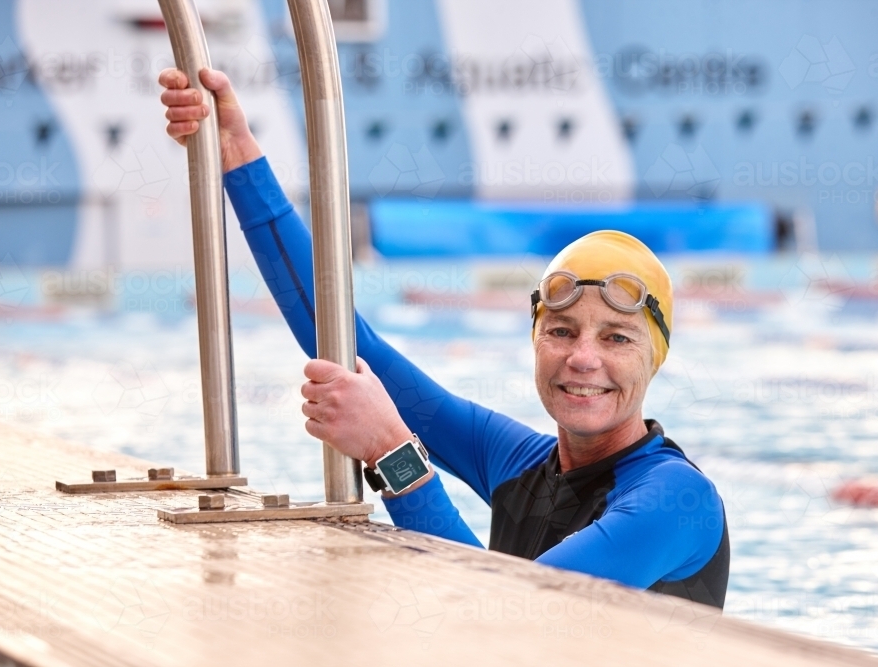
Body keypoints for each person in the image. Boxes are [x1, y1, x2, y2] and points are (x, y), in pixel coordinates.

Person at [159, 68, 729, 608]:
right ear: (534, 343)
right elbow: (348, 343)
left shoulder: (676, 501)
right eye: (561, 330)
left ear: (655, 360)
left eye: (617, 339)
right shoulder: (521, 463)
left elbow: (499, 610)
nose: (583, 358)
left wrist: (393, 456)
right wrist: (236, 154)